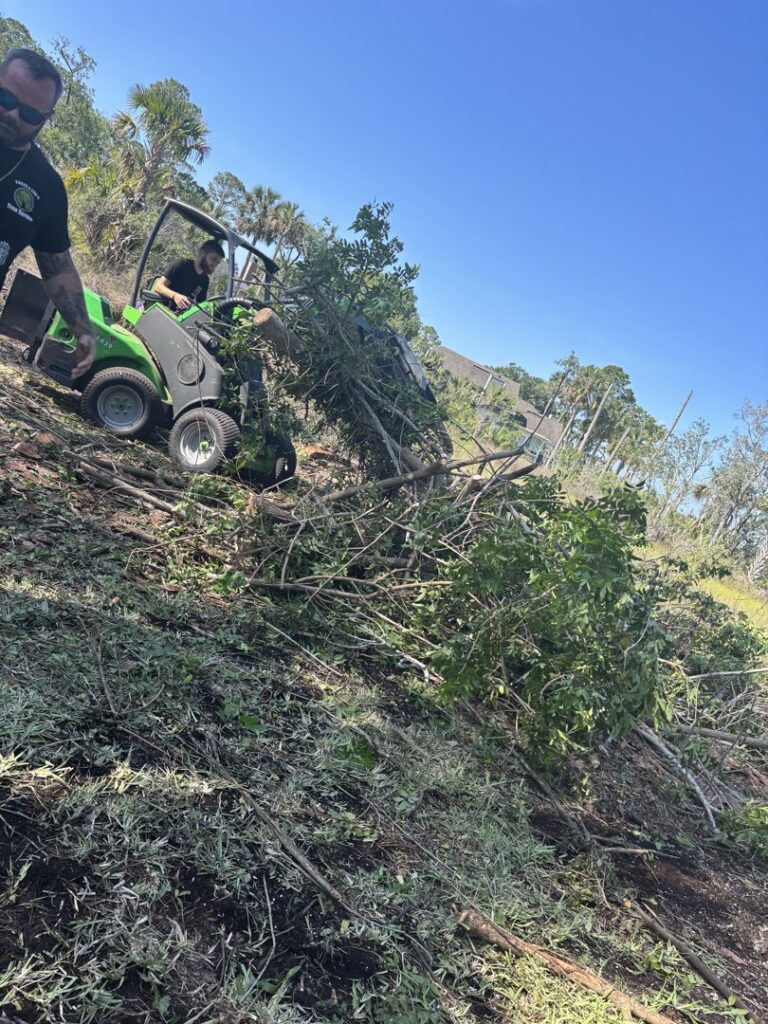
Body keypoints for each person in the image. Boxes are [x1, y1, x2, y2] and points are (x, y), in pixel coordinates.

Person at [0, 48, 94, 379]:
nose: (12, 115)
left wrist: (82, 328)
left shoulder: (47, 188)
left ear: (47, 117)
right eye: (5, 98)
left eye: (29, 113)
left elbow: (57, 265)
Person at [154, 239, 225, 312]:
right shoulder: (182, 264)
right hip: (161, 309)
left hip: (179, 318)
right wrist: (175, 296)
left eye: (217, 263)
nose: (215, 265)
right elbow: (158, 286)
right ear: (201, 253)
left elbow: (201, 306)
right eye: (213, 259)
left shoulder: (205, 280)